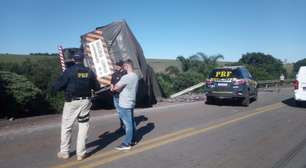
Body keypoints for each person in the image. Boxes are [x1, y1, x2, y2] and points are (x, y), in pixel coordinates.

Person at [52, 53, 100, 161]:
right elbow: (96, 87)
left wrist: (56, 86)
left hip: (71, 103)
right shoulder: (89, 71)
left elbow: (57, 86)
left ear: (73, 59)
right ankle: (81, 153)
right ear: (83, 60)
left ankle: (64, 152)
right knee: (83, 126)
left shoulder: (69, 71)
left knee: (67, 127)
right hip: (85, 102)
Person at [111, 59, 139, 150]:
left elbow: (115, 88)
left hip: (124, 102)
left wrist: (114, 88)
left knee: (127, 124)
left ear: (127, 66)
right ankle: (133, 139)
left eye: (124, 66)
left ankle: (127, 143)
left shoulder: (126, 77)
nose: (123, 68)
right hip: (131, 101)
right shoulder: (135, 76)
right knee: (131, 121)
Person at [111, 60, 127, 130]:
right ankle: (122, 126)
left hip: (122, 96)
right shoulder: (114, 74)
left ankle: (127, 126)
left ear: (119, 66)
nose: (114, 66)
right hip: (115, 96)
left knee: (123, 111)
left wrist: (116, 88)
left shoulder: (125, 74)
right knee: (119, 112)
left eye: (115, 65)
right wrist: (111, 87)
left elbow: (124, 84)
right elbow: (112, 82)